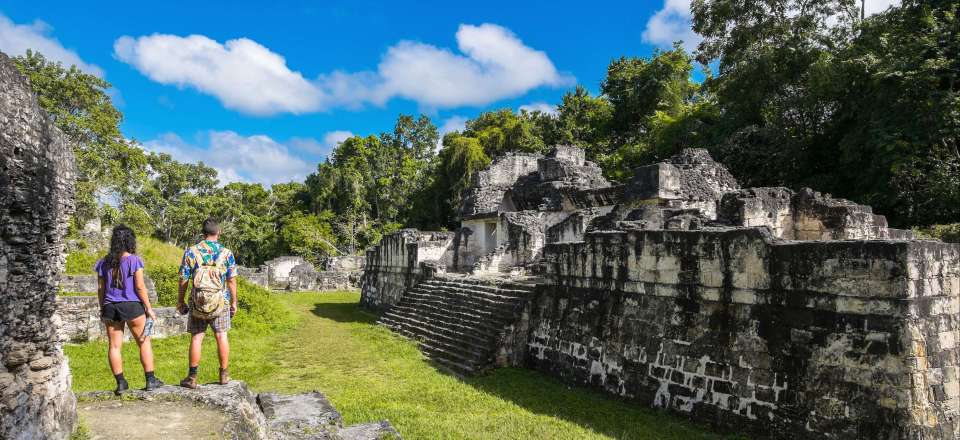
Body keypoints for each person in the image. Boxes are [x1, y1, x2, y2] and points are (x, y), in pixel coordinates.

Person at [95, 225, 165, 394]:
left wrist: (102, 308)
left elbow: (100, 288)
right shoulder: (134, 260)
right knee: (143, 342)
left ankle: (121, 383)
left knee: (114, 346)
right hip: (132, 306)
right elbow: (140, 287)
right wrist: (149, 308)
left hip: (110, 306)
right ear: (130, 241)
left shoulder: (103, 263)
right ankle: (150, 380)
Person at [177, 217, 238, 388]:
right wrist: (234, 302)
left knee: (197, 338)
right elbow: (232, 280)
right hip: (221, 301)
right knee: (221, 335)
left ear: (203, 233)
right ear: (219, 232)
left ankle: (192, 377)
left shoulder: (191, 252)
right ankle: (224, 374)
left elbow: (183, 279)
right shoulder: (227, 253)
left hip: (198, 302)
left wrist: (180, 301)